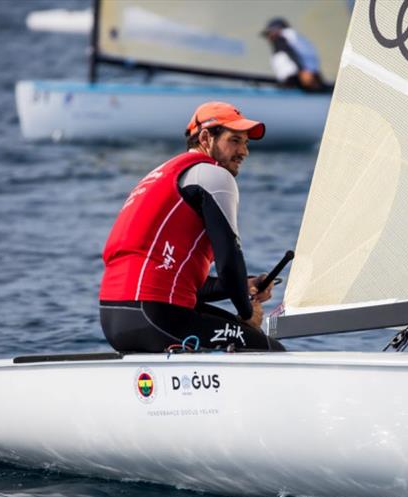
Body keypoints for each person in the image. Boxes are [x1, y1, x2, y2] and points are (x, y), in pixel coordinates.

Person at [99, 101, 285, 353]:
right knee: (268, 351)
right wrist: (246, 310)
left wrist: (243, 285)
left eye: (246, 143)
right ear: (206, 138)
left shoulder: (163, 174)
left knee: (238, 338)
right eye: (235, 140)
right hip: (154, 314)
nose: (244, 151)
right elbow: (229, 261)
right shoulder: (213, 176)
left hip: (114, 318)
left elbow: (179, 281)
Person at [260, 17, 329, 92]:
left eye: (269, 33)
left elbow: (290, 52)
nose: (268, 38)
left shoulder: (281, 38)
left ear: (276, 30)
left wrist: (302, 70)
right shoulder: (297, 38)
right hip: (311, 75)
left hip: (298, 77)